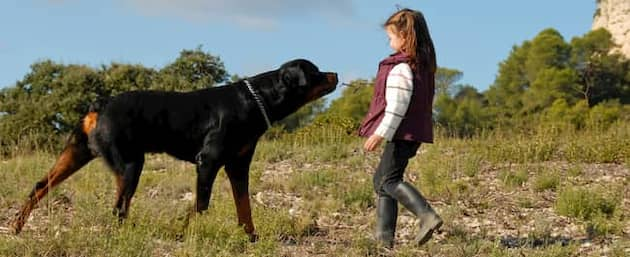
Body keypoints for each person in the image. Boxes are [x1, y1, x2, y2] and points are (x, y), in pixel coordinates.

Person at [358, 8, 442, 248]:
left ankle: (427, 216)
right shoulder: (421, 66)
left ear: (405, 36)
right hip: (411, 133)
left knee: (388, 180)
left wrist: (378, 134)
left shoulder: (401, 69)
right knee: (382, 181)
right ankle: (384, 241)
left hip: (401, 133)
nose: (389, 42)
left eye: (391, 37)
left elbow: (397, 108)